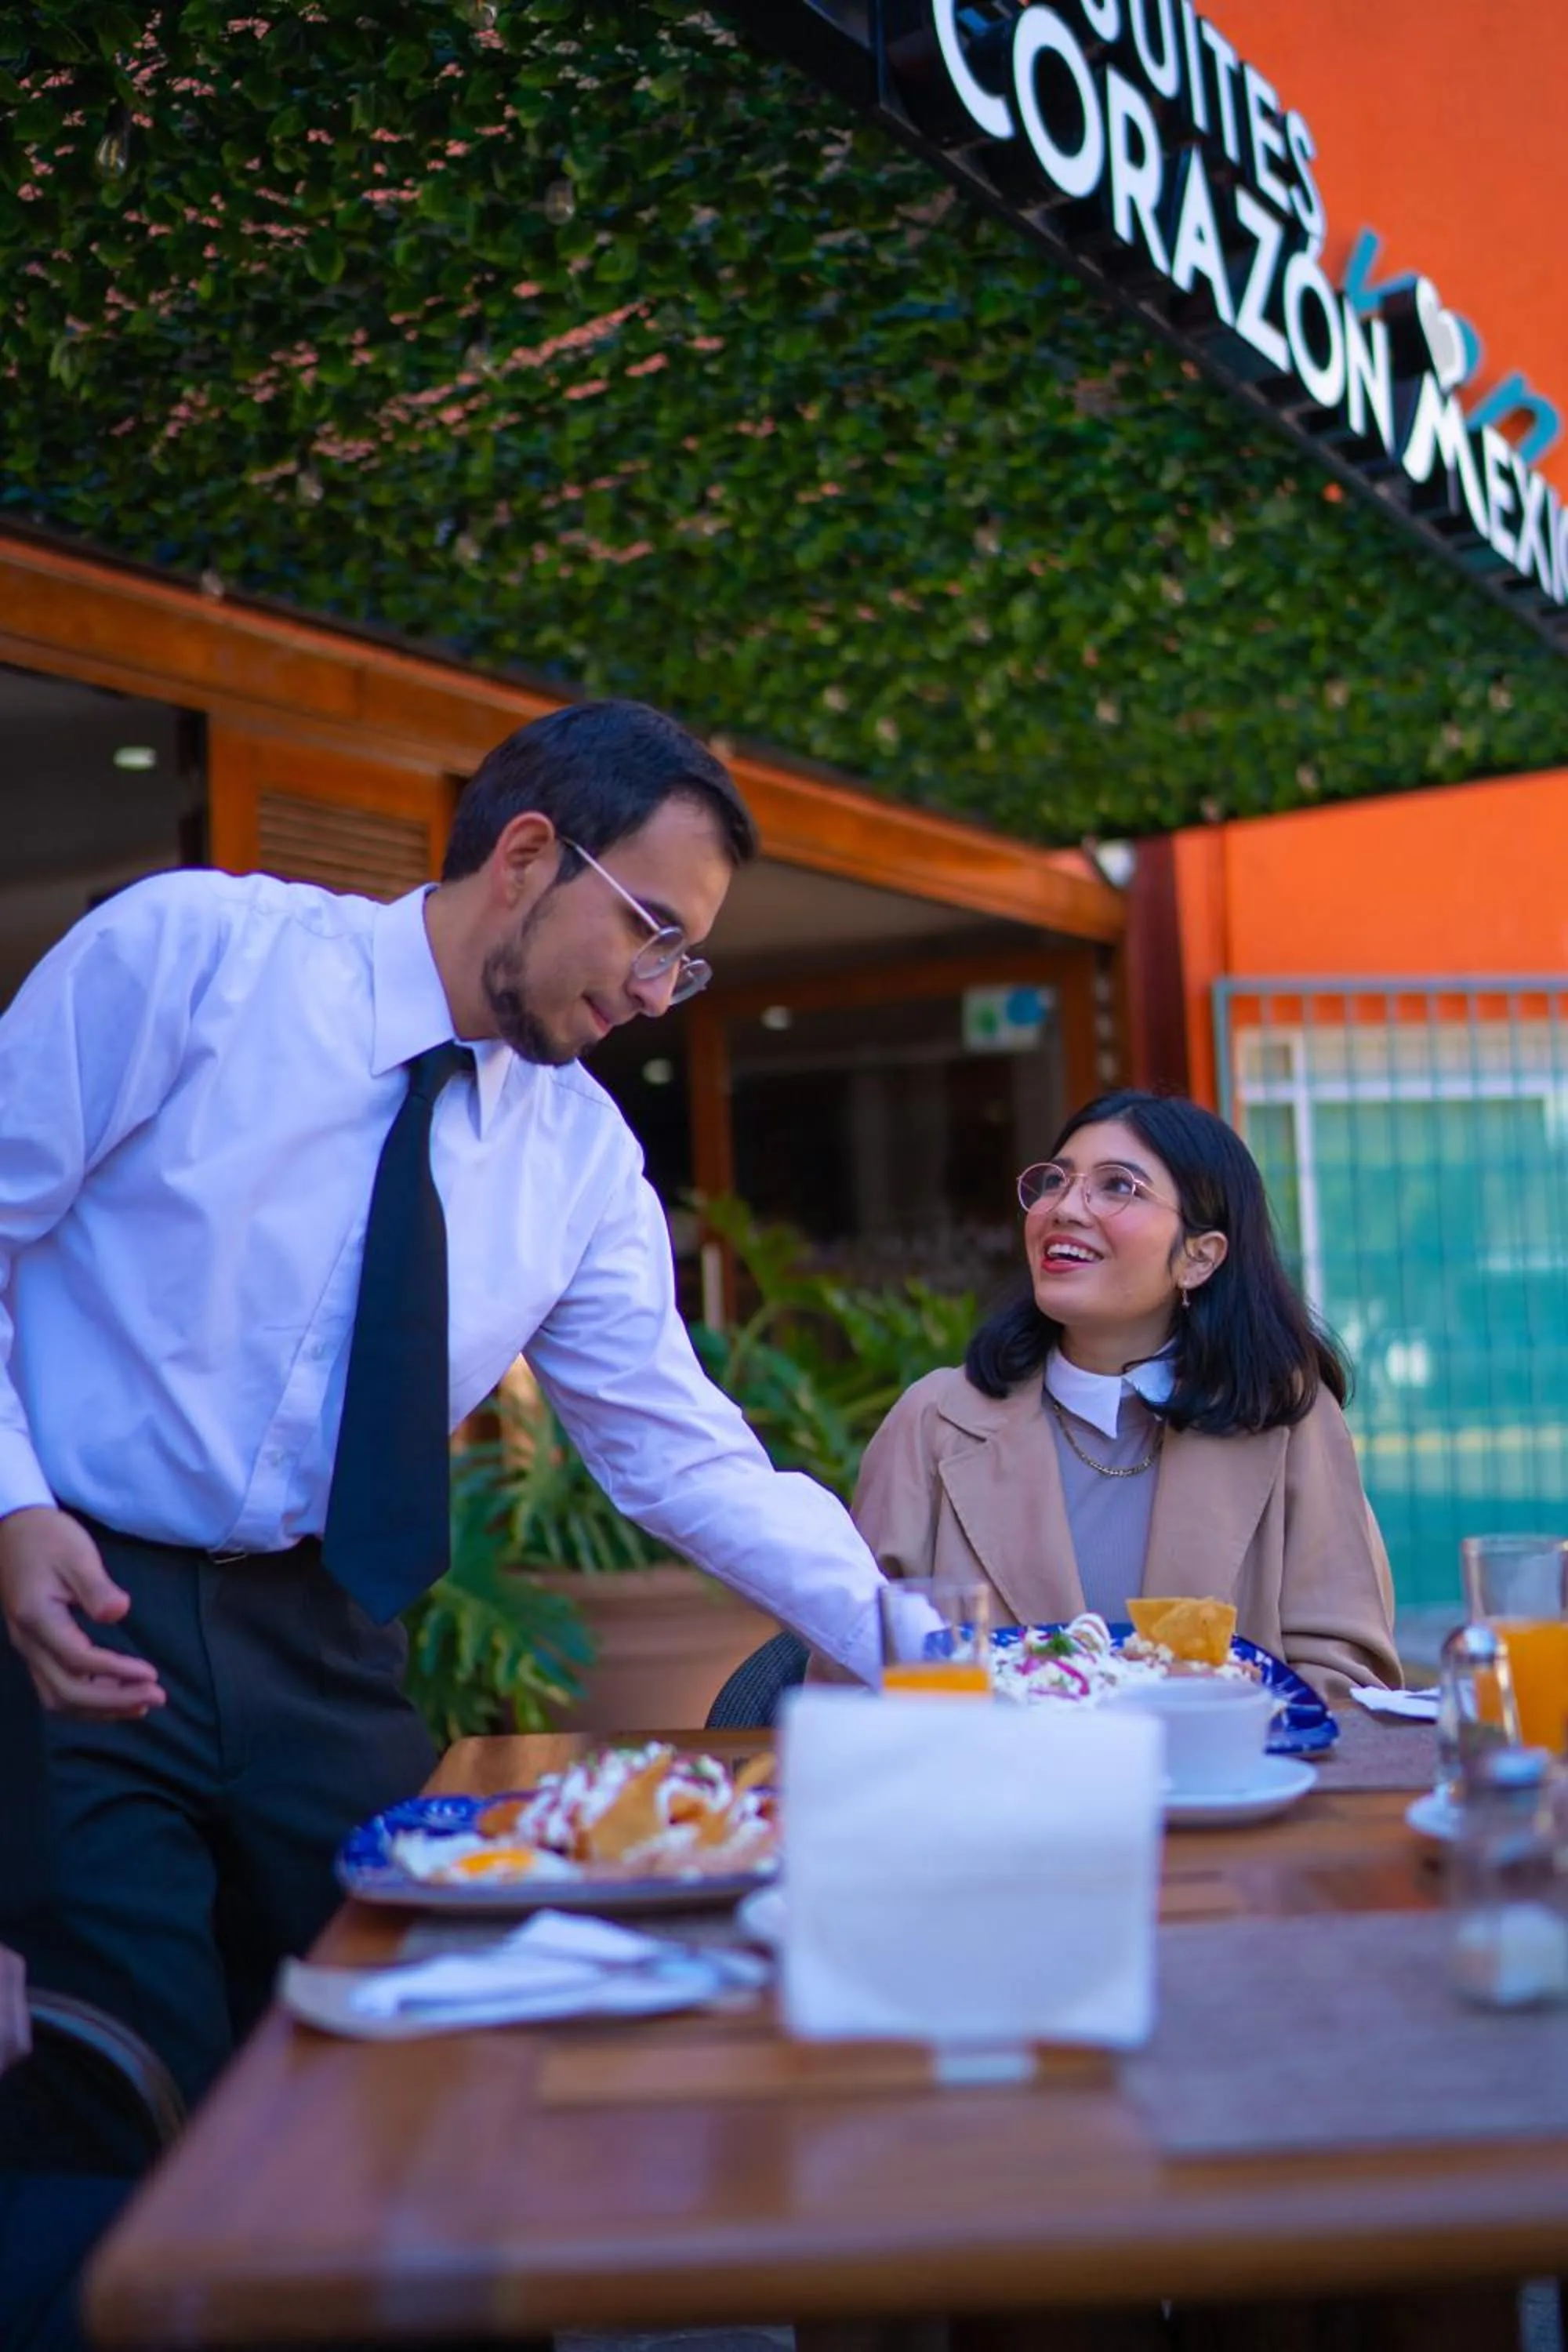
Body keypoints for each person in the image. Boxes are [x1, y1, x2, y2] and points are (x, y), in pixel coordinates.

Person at [0, 696, 887, 2114]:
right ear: (529, 854)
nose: (661, 992)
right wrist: (11, 1501)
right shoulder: (189, 958)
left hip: (330, 1639)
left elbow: (680, 1455)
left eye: (690, 959)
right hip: (80, 1610)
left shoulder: (583, 1160)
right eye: (651, 930)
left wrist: (936, 1653)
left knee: (432, 2062)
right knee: (127, 2091)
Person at [853, 1089, 1400, 1701]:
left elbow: (1344, 1684)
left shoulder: (1285, 1417)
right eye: (1056, 1181)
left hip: (1228, 1790)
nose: (1064, 1208)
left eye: (1118, 1187)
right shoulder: (932, 1423)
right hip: (993, 1792)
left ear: (1199, 1258)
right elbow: (857, 1670)